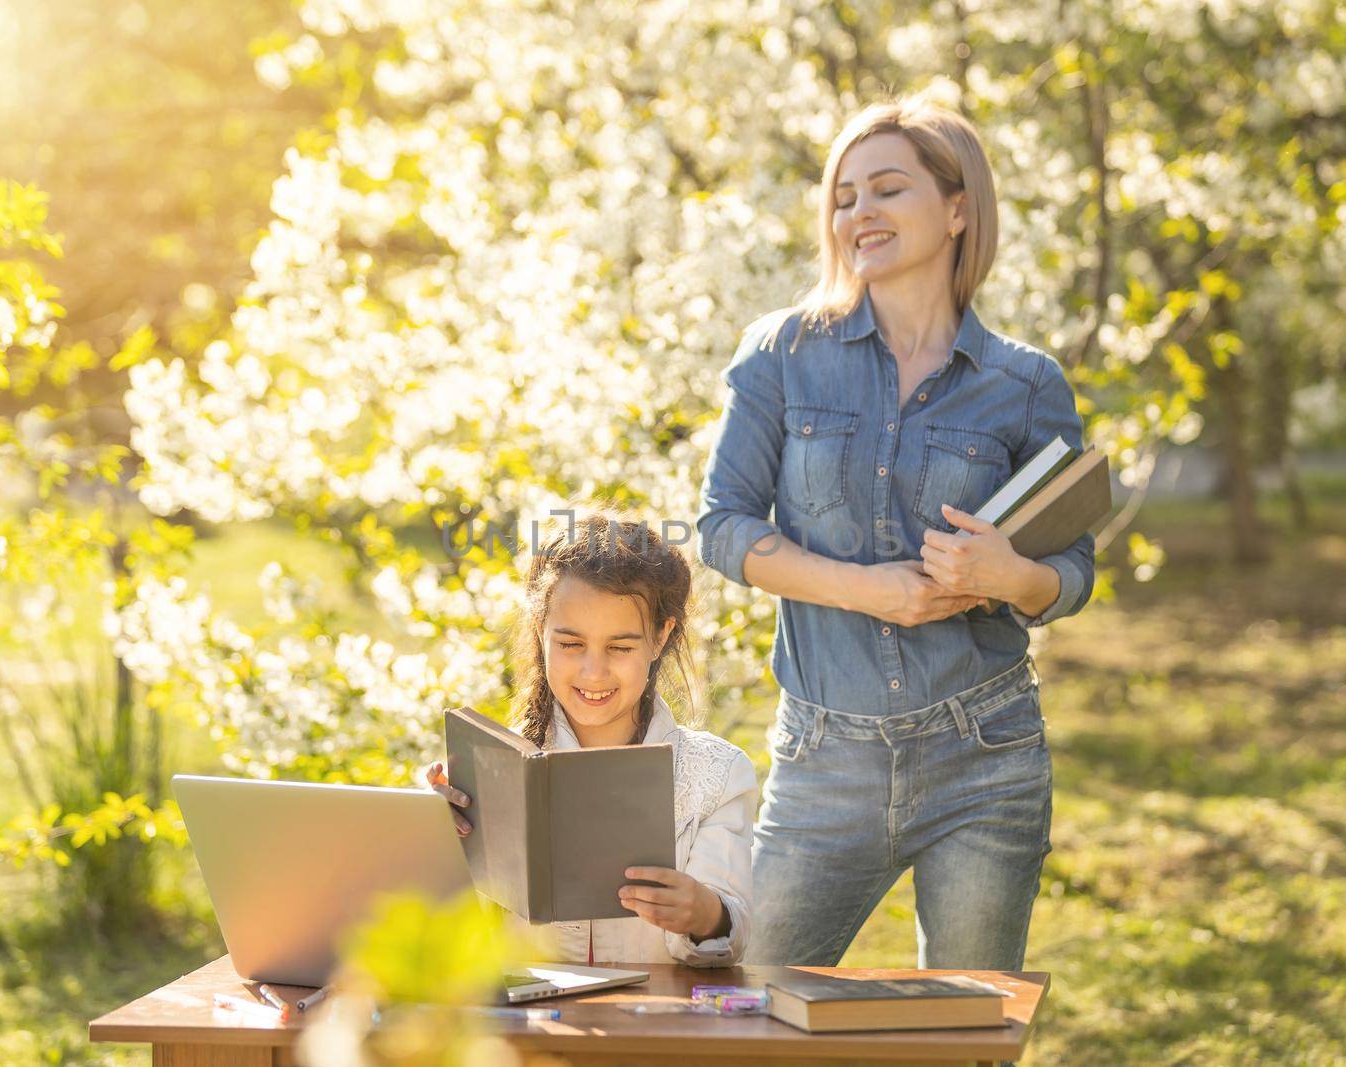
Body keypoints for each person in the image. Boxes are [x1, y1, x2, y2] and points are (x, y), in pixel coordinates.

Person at [695, 93, 1095, 971]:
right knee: (747, 1011)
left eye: (886, 189)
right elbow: (721, 526)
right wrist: (866, 587)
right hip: (823, 760)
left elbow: (1071, 571)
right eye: (843, 196)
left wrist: (1005, 573)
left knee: (965, 1036)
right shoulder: (783, 352)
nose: (857, 213)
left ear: (958, 209)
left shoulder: (1024, 383)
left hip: (986, 756)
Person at [427, 511, 757, 966]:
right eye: (570, 644)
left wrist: (705, 916)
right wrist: (433, 844)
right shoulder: (483, 767)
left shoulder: (717, 774)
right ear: (540, 629)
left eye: (620, 648)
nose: (593, 672)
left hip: (655, 1026)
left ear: (661, 638)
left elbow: (726, 944)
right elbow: (450, 945)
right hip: (527, 1028)